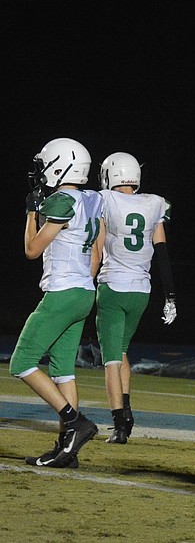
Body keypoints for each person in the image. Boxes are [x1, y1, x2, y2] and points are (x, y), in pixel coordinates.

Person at [11, 137, 102, 468]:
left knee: (21, 361)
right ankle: (68, 450)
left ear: (60, 166)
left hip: (63, 292)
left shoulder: (61, 201)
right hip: (83, 291)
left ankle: (74, 421)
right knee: (63, 370)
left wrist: (31, 212)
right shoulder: (93, 200)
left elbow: (32, 250)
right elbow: (97, 252)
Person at [92, 152, 176, 444]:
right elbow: (162, 251)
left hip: (113, 287)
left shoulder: (105, 200)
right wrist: (170, 295)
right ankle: (126, 411)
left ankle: (119, 423)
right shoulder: (154, 203)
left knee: (111, 359)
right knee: (123, 350)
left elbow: (98, 246)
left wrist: (85, 282)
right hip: (142, 291)